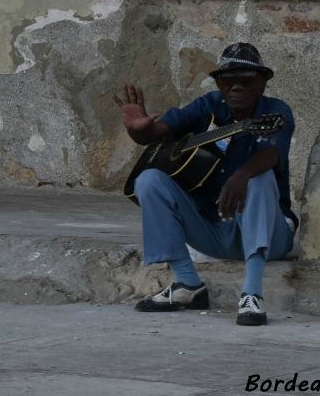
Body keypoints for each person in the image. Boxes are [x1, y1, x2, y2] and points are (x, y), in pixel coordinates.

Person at [114, 42, 297, 325]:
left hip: (270, 236)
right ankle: (187, 283)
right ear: (219, 84)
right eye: (228, 80)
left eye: (246, 81)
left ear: (262, 83)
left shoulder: (276, 111)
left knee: (259, 177)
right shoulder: (207, 106)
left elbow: (273, 153)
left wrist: (241, 175)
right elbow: (154, 134)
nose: (236, 87)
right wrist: (137, 127)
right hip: (212, 232)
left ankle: (252, 294)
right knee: (148, 180)